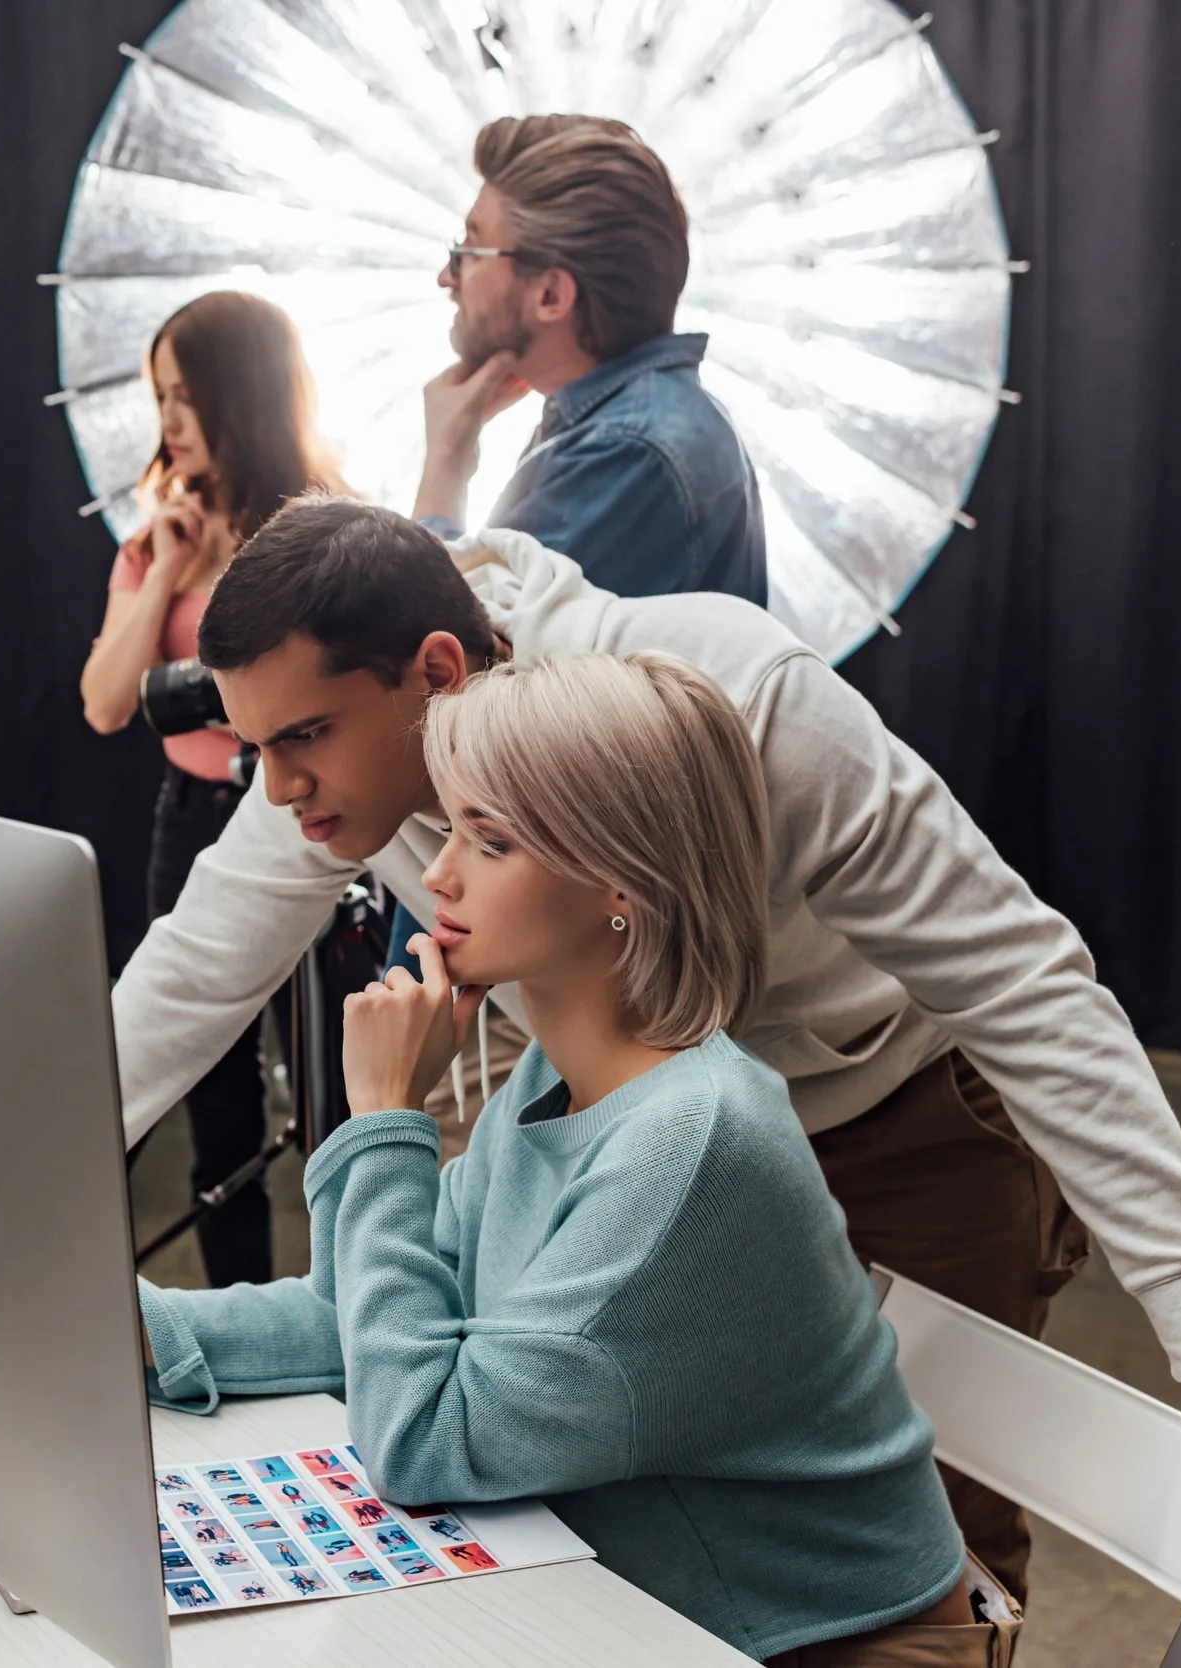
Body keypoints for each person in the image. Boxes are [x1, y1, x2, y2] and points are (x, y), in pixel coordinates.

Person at [112, 495, 1181, 1600]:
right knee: (644, 1535)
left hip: (897, 1109)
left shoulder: (746, 701)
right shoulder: (335, 766)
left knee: (930, 1547)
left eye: (302, 737)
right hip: (631, 1117)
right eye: (252, 744)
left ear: (439, 674)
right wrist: (19, 1248)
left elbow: (1021, 985)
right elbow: (187, 982)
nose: (277, 787)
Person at [142, 650, 1004, 1663]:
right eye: (455, 825)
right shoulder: (555, 1081)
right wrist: (122, 1331)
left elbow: (422, 1441)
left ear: (622, 885)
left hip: (824, 1648)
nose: (437, 874)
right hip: (644, 1614)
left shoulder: (691, 1149)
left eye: (492, 841)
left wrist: (382, 1120)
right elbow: (373, 1320)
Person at [79, 290, 344, 1287]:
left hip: (313, 822)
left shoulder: (326, 528)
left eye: (186, 395)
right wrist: (163, 572)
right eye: (160, 397)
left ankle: (343, 1312)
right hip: (192, 825)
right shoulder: (156, 542)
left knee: (336, 1094)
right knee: (215, 1102)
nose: (169, 422)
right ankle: (237, 1309)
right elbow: (108, 703)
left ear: (245, 394)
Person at [414, 115, 764, 605]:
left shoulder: (626, 449)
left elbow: (456, 656)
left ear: (551, 294)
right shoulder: (618, 423)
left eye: (468, 249)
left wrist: (445, 463)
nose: (445, 278)